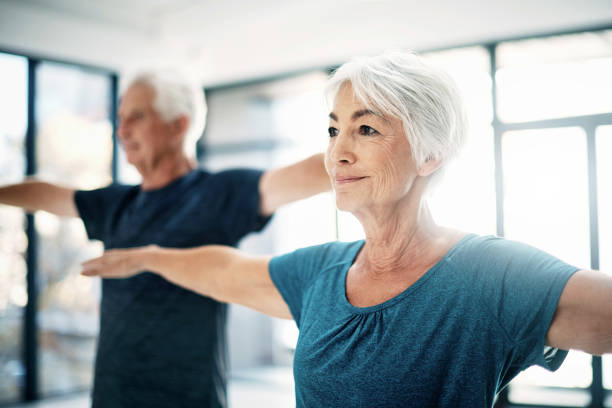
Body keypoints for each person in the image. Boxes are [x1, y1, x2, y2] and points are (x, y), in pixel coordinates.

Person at [79, 52, 611, 408]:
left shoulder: (491, 275)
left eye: (365, 128)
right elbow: (225, 268)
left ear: (430, 153)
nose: (338, 151)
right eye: (333, 129)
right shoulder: (324, 270)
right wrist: (146, 255)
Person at [0, 71, 330, 407]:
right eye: (120, 118)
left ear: (178, 126)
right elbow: (45, 194)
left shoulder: (217, 193)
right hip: (112, 398)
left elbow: (306, 175)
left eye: (137, 117)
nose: (122, 130)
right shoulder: (116, 203)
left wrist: (370, 152)